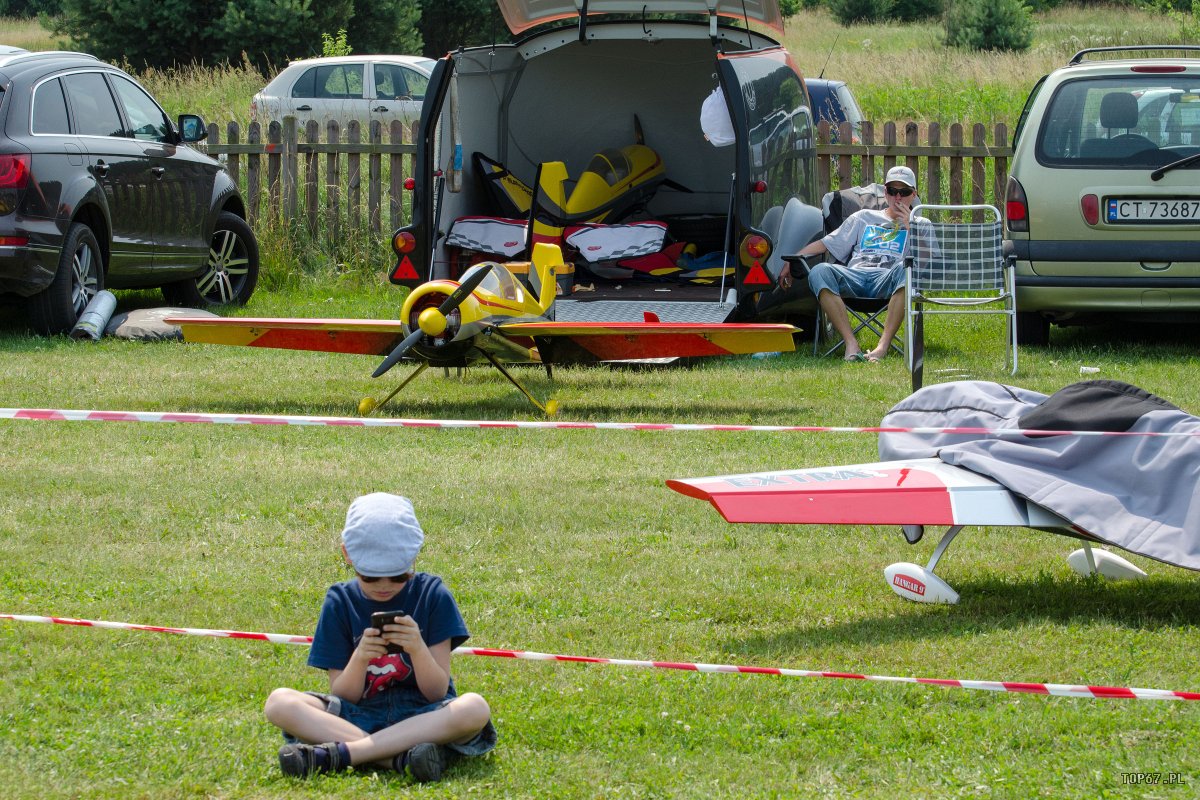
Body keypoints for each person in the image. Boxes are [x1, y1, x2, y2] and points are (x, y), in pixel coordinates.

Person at [263, 493, 496, 783]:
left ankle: (342, 754)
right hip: (359, 712)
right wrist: (360, 658)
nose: (384, 586)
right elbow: (343, 694)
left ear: (413, 557)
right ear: (347, 555)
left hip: (423, 715)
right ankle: (399, 759)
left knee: (474, 708)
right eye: (370, 576)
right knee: (278, 702)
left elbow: (437, 692)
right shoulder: (339, 601)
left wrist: (418, 649)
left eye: (398, 576)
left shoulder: (433, 594)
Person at [779, 165, 921, 362]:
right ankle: (851, 343)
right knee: (820, 271)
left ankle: (882, 346)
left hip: (890, 279)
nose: (897, 198)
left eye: (904, 192)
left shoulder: (922, 224)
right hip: (855, 277)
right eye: (892, 191)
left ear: (913, 195)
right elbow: (827, 243)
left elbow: (929, 262)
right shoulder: (863, 217)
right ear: (885, 192)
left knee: (907, 270)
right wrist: (793, 258)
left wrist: (910, 227)